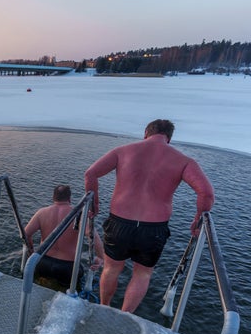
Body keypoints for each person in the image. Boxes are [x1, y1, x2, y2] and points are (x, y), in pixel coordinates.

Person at [84, 119, 214, 313]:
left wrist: (94, 204)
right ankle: (124, 315)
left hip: (120, 222)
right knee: (142, 274)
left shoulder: (123, 151)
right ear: (169, 138)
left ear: (146, 132)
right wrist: (197, 219)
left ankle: (104, 309)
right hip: (153, 228)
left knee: (111, 269)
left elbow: (90, 174)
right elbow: (206, 193)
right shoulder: (184, 161)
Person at [25, 184, 104, 291]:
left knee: (40, 285)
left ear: (53, 197)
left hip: (42, 262)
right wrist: (100, 257)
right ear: (69, 198)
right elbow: (92, 235)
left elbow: (26, 233)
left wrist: (31, 250)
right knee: (67, 290)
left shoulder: (41, 213)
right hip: (67, 268)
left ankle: (43, 282)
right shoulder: (78, 215)